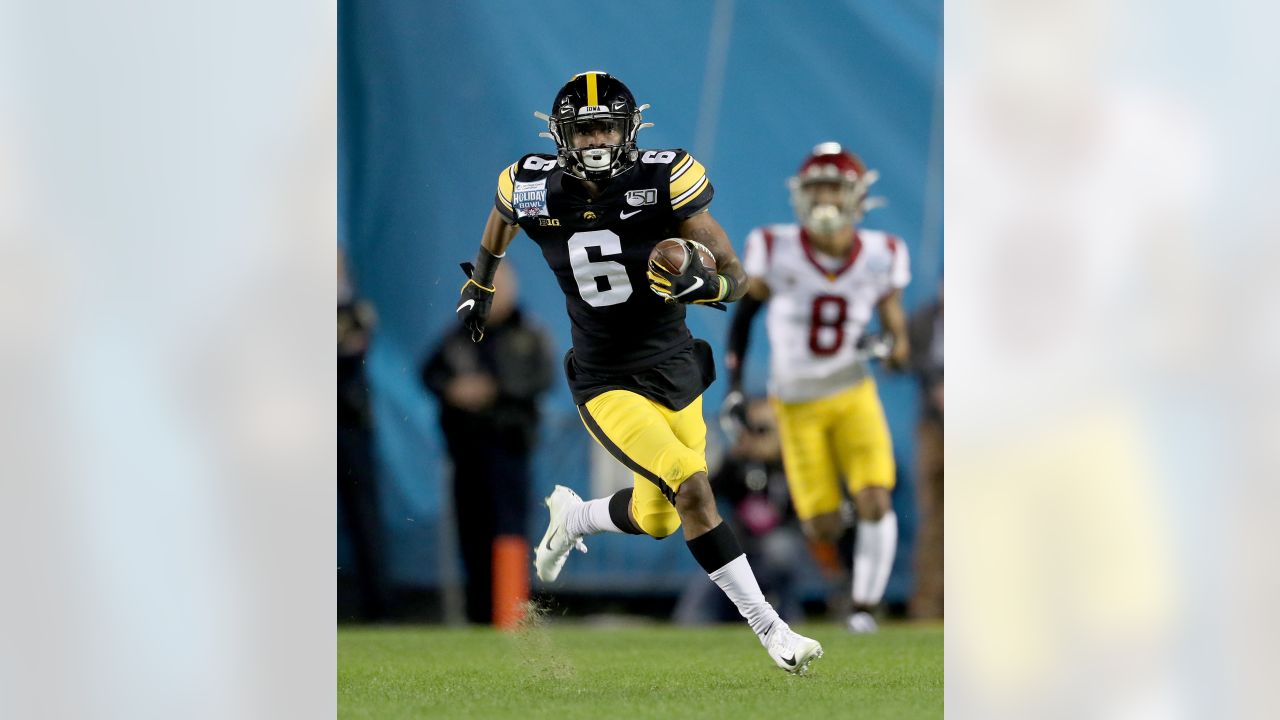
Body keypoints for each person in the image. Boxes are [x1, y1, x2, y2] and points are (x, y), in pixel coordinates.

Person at [454, 71, 822, 673]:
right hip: (605, 377)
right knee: (694, 486)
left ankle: (574, 518)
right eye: (585, 128)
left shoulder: (663, 176)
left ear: (629, 130)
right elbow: (500, 222)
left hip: (674, 365)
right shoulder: (532, 185)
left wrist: (709, 284)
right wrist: (481, 283)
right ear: (560, 135)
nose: (597, 138)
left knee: (659, 516)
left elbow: (737, 273)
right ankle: (774, 630)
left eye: (606, 126)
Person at [723, 143, 911, 634]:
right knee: (821, 526)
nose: (825, 197)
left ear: (856, 196)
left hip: (852, 392)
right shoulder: (775, 245)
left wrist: (889, 348)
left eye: (834, 187)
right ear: (801, 195)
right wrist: (737, 387)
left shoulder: (881, 254)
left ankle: (864, 607)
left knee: (876, 497)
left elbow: (899, 343)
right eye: (817, 188)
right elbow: (744, 314)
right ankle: (849, 524)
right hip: (797, 402)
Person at [422, 265, 555, 626]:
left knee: (508, 530)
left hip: (509, 449)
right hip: (467, 451)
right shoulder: (464, 331)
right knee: (472, 533)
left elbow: (542, 377)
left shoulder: (528, 332)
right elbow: (430, 372)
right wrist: (454, 389)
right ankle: (478, 614)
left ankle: (510, 613)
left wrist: (492, 388)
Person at [907, 284, 943, 619]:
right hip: (935, 430)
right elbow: (906, 358)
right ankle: (929, 607)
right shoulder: (925, 320)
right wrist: (935, 385)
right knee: (933, 519)